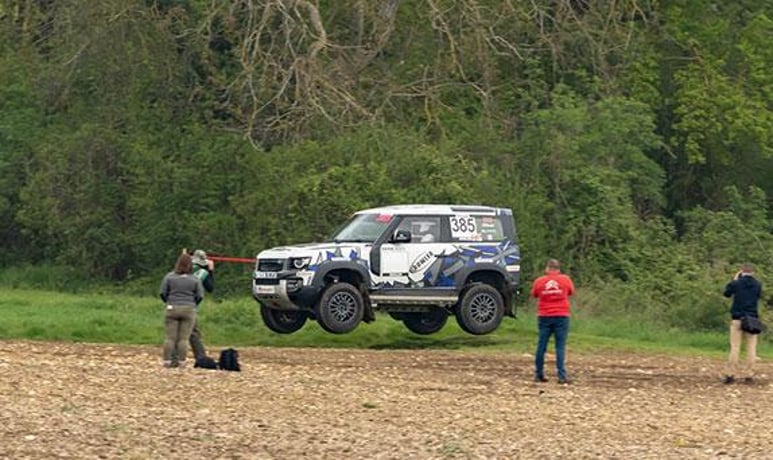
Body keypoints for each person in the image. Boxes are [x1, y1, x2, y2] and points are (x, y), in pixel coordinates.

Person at [531, 258, 575, 384]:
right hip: (562, 315)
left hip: (544, 315)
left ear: (547, 268)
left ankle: (539, 374)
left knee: (541, 345)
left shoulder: (540, 281)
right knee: (560, 346)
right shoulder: (565, 279)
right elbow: (571, 292)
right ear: (558, 269)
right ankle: (561, 375)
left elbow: (534, 294)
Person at [159, 253, 203, 368]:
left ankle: (168, 361)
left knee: (170, 337)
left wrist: (168, 301)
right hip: (188, 308)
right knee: (184, 338)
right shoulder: (194, 279)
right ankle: (182, 361)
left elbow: (163, 292)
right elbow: (200, 295)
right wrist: (193, 304)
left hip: (172, 307)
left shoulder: (169, 277)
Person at [722, 263, 763, 384]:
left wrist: (734, 280)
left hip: (738, 317)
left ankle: (730, 374)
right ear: (753, 272)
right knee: (751, 347)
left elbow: (727, 293)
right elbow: (757, 297)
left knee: (735, 347)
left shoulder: (736, 283)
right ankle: (749, 375)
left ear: (741, 271)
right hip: (752, 318)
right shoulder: (757, 284)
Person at [190, 249, 215, 362]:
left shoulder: (180, 270)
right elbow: (210, 287)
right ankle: (200, 356)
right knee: (193, 332)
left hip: (172, 303)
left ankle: (172, 357)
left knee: (175, 333)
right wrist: (210, 271)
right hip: (191, 304)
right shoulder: (202, 272)